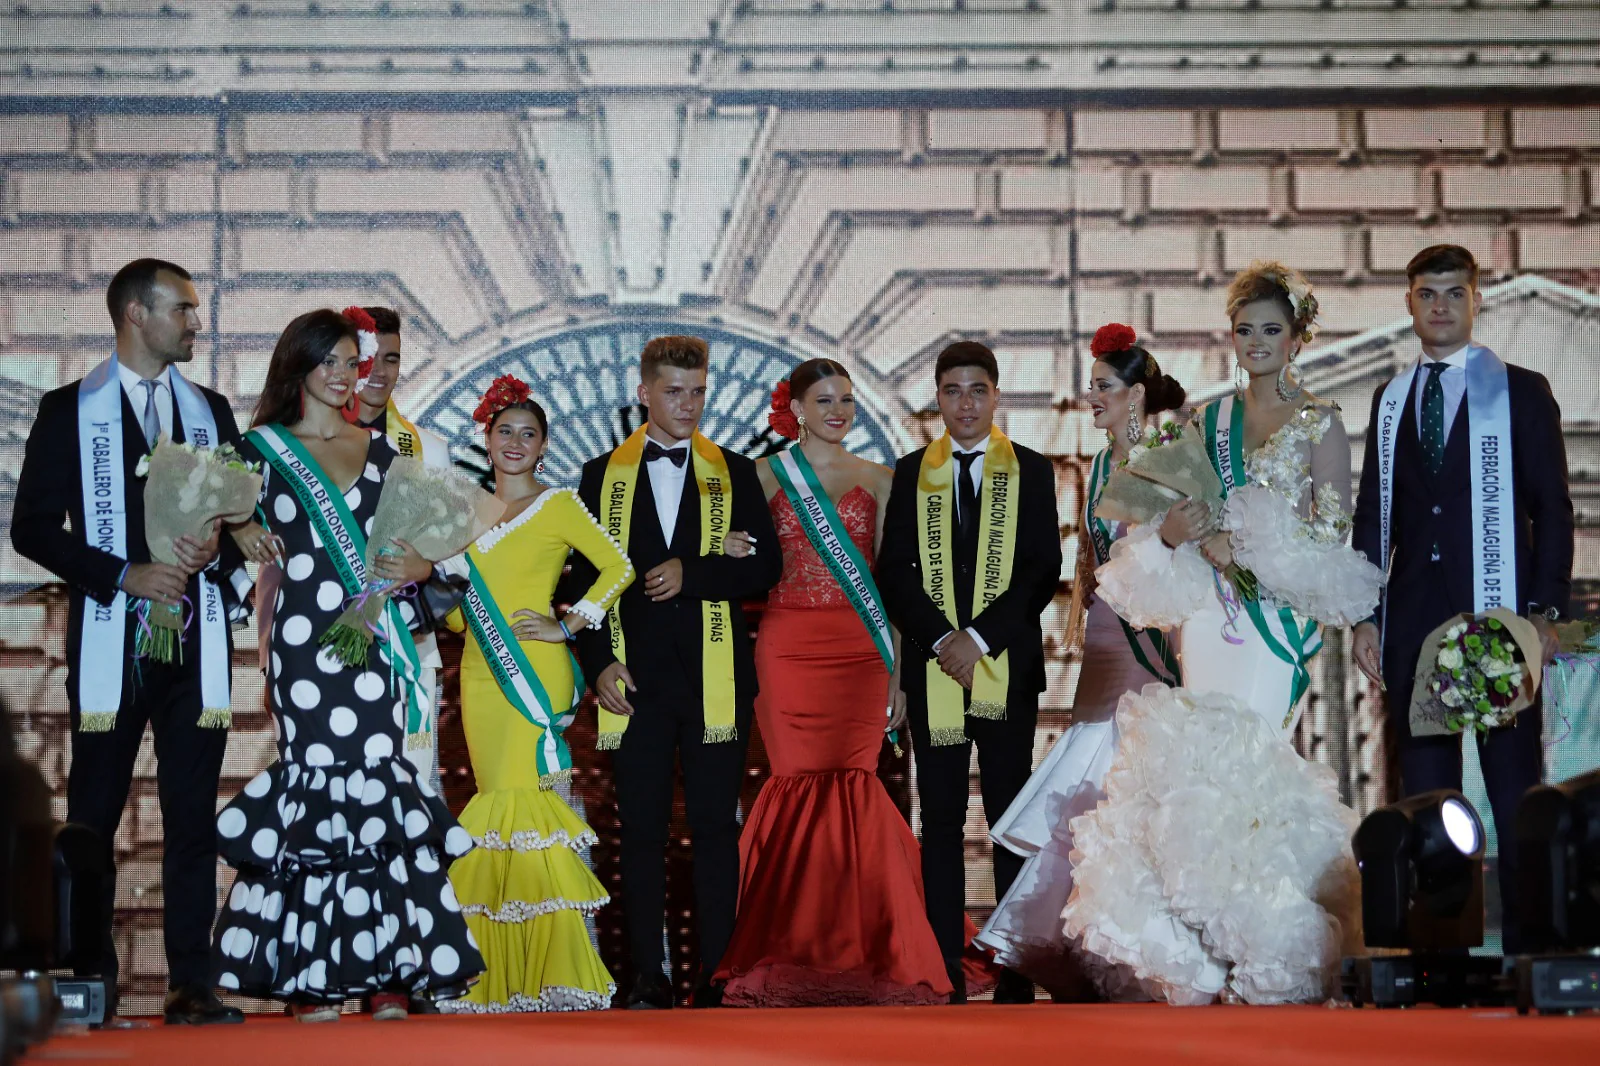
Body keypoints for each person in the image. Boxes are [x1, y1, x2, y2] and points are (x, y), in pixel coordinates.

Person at [1072, 261, 1384, 1004]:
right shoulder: (1205, 421)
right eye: (1245, 330)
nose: (1256, 343)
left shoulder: (1321, 423)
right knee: (1191, 771)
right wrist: (1177, 532)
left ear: (1298, 337)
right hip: (1206, 612)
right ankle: (1194, 951)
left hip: (1275, 616)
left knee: (1250, 769)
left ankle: (1272, 943)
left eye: (1272, 330)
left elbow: (1330, 540)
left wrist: (1242, 545)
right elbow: (1149, 508)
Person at [212, 309, 483, 1022]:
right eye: (328, 361)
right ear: (296, 366)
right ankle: (313, 977)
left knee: (377, 796)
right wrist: (236, 524)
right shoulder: (259, 450)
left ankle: (384, 971)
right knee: (317, 796)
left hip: (373, 645)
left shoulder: (383, 449)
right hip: (305, 646)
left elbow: (431, 554)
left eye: (349, 361)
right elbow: (207, 536)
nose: (342, 375)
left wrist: (422, 565)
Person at [11, 258, 247, 1025]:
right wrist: (122, 574)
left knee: (191, 819)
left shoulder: (211, 410)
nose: (196, 322)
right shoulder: (67, 410)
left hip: (194, 646)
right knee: (93, 816)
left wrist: (221, 549)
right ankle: (89, 979)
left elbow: (243, 526)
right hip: (113, 642)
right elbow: (32, 529)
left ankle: (190, 983)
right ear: (136, 315)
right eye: (183, 309)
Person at [1350, 244, 1572, 954]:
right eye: (1426, 293)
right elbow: (1371, 516)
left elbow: (1555, 509)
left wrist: (1545, 614)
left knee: (1512, 783)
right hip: (1414, 620)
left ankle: (1533, 944)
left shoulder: (1522, 391)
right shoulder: (1391, 401)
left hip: (1497, 613)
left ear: (1477, 301)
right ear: (1409, 304)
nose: (1440, 305)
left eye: (1454, 292)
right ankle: (1440, 951)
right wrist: (1364, 614)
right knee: (1427, 795)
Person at [710, 358, 949, 1006]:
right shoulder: (761, 477)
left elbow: (896, 583)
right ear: (794, 408)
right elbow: (732, 554)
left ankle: (871, 948)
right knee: (795, 786)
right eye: (824, 400)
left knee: (856, 786)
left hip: (861, 648)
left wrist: (899, 669)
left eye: (845, 399)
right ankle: (794, 947)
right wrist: (728, 547)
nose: (838, 411)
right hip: (788, 648)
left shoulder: (880, 477)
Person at [565, 336, 781, 1008]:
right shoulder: (601, 473)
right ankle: (643, 977)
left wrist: (696, 572)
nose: (687, 404)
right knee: (640, 830)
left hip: (717, 681)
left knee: (719, 829)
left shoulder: (736, 471)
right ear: (643, 392)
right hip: (634, 684)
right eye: (673, 391)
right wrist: (597, 664)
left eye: (697, 391)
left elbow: (766, 567)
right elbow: (579, 580)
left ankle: (718, 975)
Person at [974, 325, 1187, 1000]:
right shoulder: (1098, 465)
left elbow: (1188, 554)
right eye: (1091, 386)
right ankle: (1094, 935)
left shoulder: (1170, 456)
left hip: (1150, 635)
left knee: (1132, 775)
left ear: (1136, 395)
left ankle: (1146, 941)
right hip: (1103, 631)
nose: (1090, 397)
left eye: (1103, 387)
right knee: (1092, 775)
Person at [877, 341, 1063, 1005]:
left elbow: (1043, 570)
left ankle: (1013, 966)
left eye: (976, 389)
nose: (965, 402)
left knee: (1011, 818)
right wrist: (942, 642)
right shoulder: (909, 473)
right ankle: (943, 969)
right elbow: (894, 575)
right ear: (937, 397)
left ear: (996, 394)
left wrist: (978, 639)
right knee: (943, 824)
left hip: (1005, 670)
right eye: (952, 390)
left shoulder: (1034, 471)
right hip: (935, 674)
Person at [440, 374, 632, 1012]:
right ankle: (501, 976)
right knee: (497, 805)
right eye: (506, 432)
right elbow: (455, 603)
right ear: (488, 441)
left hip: (537, 668)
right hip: (478, 670)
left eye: (529, 434)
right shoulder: (464, 509)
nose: (516, 442)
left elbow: (619, 568)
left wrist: (571, 623)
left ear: (544, 445)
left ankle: (552, 975)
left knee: (526, 814)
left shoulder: (560, 506)